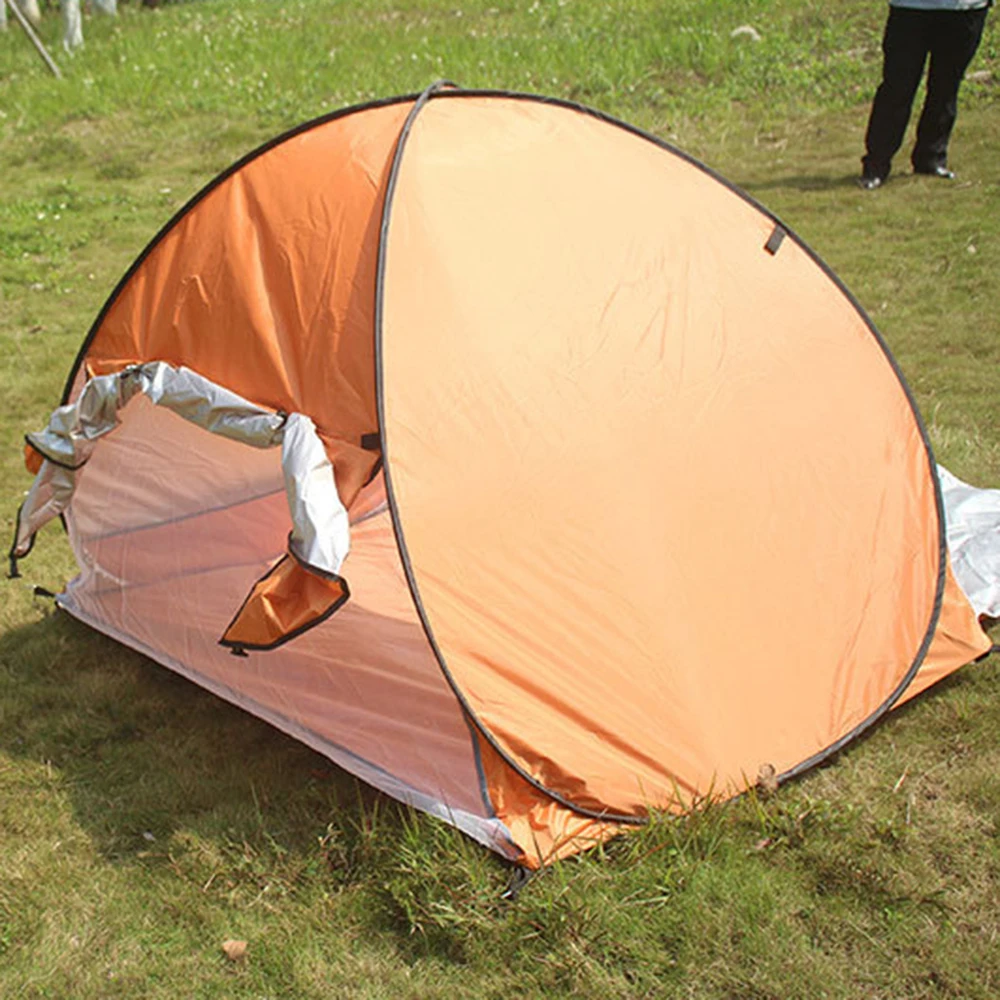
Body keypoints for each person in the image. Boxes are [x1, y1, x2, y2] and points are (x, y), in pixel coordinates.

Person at [859, 0, 992, 189]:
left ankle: (931, 158)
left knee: (946, 87)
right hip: (911, 8)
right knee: (897, 87)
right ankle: (876, 165)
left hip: (965, 8)